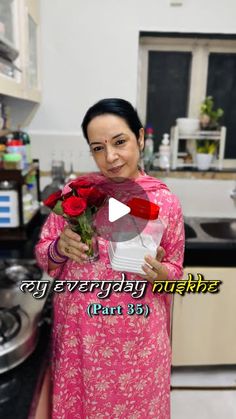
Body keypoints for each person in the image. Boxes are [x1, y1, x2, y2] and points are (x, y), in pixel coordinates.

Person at [35, 98, 185, 419]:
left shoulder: (166, 203)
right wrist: (61, 248)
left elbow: (175, 272)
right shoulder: (78, 192)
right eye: (98, 148)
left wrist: (160, 273)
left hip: (137, 349)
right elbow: (44, 254)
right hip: (80, 343)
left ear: (140, 138)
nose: (111, 157)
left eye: (120, 142)